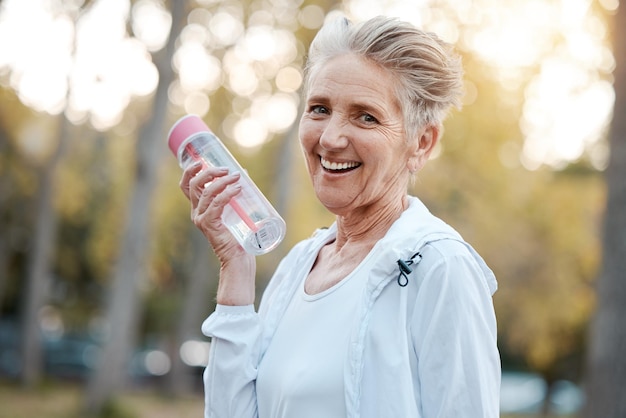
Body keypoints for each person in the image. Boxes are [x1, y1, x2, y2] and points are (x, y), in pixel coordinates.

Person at [179, 15, 500, 418]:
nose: (330, 138)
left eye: (366, 116)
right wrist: (236, 265)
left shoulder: (441, 268)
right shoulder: (298, 265)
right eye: (319, 108)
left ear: (421, 142)